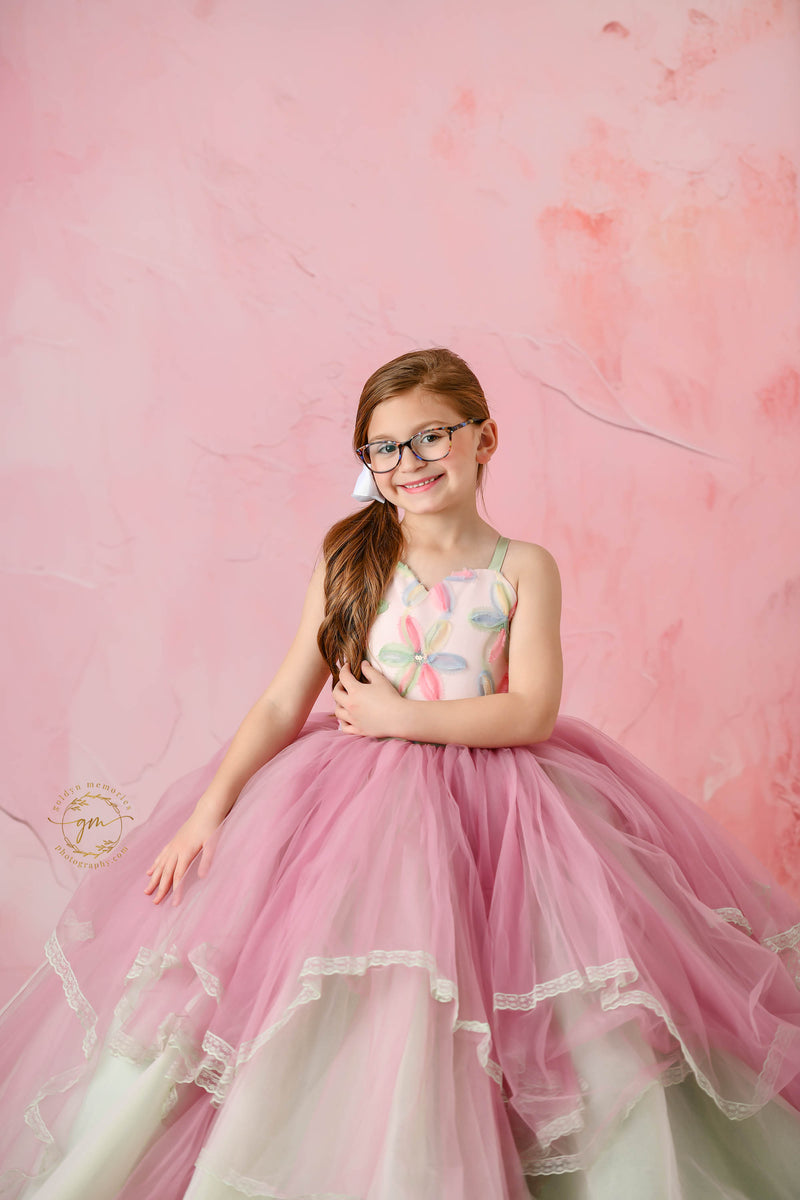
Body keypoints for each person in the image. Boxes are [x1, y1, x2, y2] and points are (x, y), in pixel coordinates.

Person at [1, 347, 799, 1200]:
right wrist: (211, 809)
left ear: (484, 438)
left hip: (508, 820)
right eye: (384, 447)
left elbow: (531, 710)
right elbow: (284, 699)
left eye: (431, 437)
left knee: (536, 999)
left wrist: (400, 718)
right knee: (356, 987)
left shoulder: (522, 566)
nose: (409, 462)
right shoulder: (352, 556)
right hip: (353, 814)